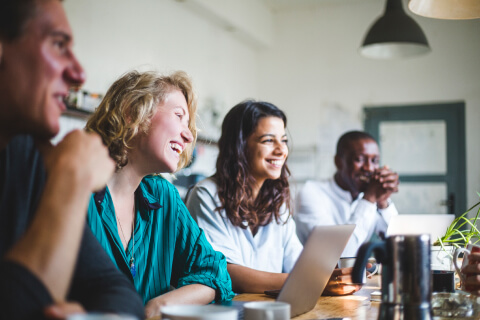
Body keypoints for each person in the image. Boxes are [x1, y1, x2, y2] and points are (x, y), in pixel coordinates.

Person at [0, 1, 144, 319]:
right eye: (58, 44)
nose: (78, 74)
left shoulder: (26, 155)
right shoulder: (57, 165)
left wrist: (92, 314)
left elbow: (118, 290)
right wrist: (70, 179)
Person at [85, 70, 234, 318]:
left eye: (189, 126)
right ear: (133, 113)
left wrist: (159, 306)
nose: (188, 136)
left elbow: (215, 272)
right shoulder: (77, 189)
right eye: (178, 117)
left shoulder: (162, 196)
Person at [186, 100, 360, 295]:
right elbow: (227, 273)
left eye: (284, 140)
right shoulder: (205, 195)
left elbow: (297, 263)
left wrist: (332, 275)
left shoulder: (277, 201)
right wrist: (314, 281)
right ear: (240, 146)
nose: (281, 150)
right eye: (268, 140)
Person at [295, 131, 400, 257]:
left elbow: (399, 245)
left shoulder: (367, 195)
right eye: (359, 159)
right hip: (318, 276)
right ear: (338, 162)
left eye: (374, 160)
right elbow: (336, 255)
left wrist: (383, 201)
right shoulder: (311, 193)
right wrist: (370, 198)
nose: (369, 168)